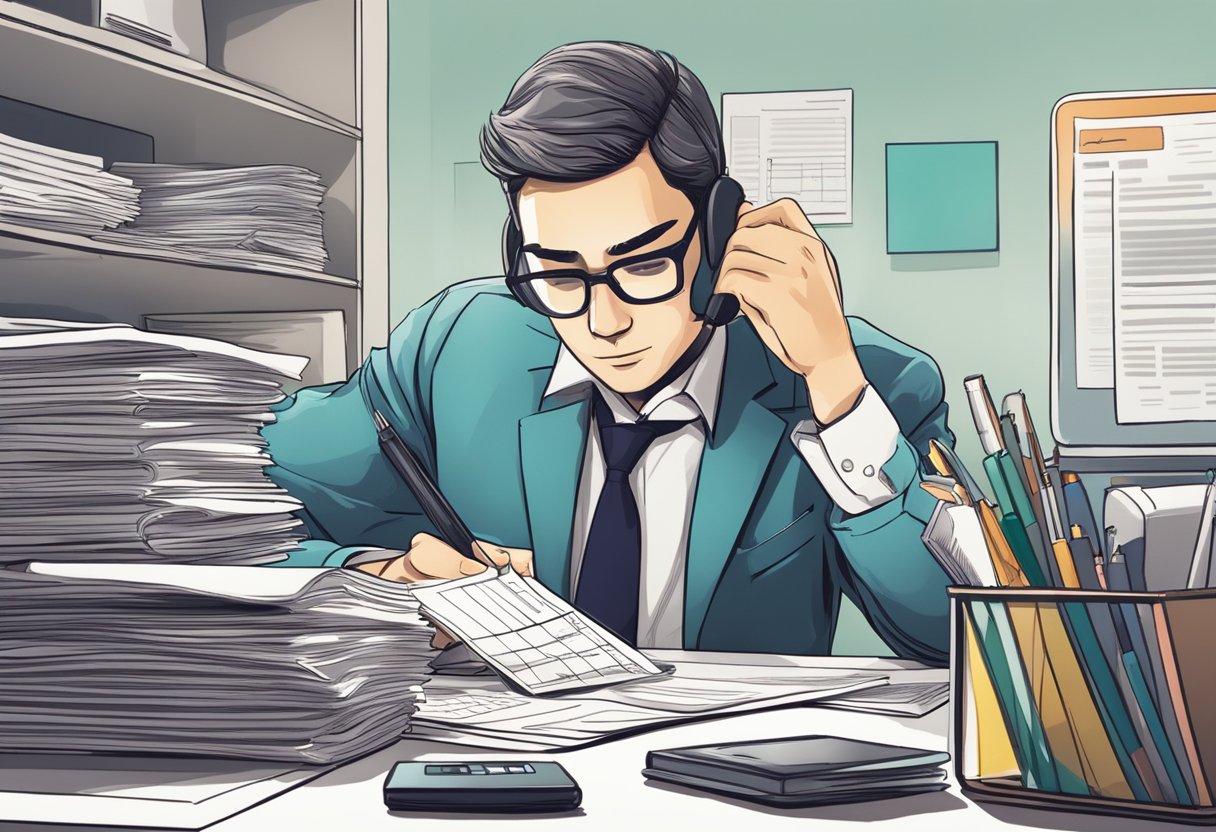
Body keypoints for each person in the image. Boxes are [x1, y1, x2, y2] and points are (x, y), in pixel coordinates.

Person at [262, 41, 955, 664]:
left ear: (718, 233)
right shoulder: (458, 348)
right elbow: (219, 509)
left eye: (644, 265)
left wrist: (836, 386)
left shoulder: (860, 378)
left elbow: (958, 636)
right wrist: (376, 578)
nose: (604, 320)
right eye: (560, 274)